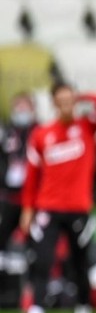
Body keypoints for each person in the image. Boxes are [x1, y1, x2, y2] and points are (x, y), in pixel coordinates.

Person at [17, 82, 96, 313]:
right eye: (62, 99)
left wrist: (81, 97)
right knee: (42, 260)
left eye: (71, 99)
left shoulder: (86, 128)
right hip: (48, 208)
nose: (67, 104)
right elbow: (32, 175)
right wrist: (27, 209)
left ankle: (82, 311)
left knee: (79, 263)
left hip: (79, 208)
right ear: (54, 103)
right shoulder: (42, 134)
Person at [0, 93, 37, 252]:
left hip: (32, 198)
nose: (21, 110)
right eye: (18, 106)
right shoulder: (6, 132)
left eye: (25, 106)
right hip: (8, 195)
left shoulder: (40, 132)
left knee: (35, 239)